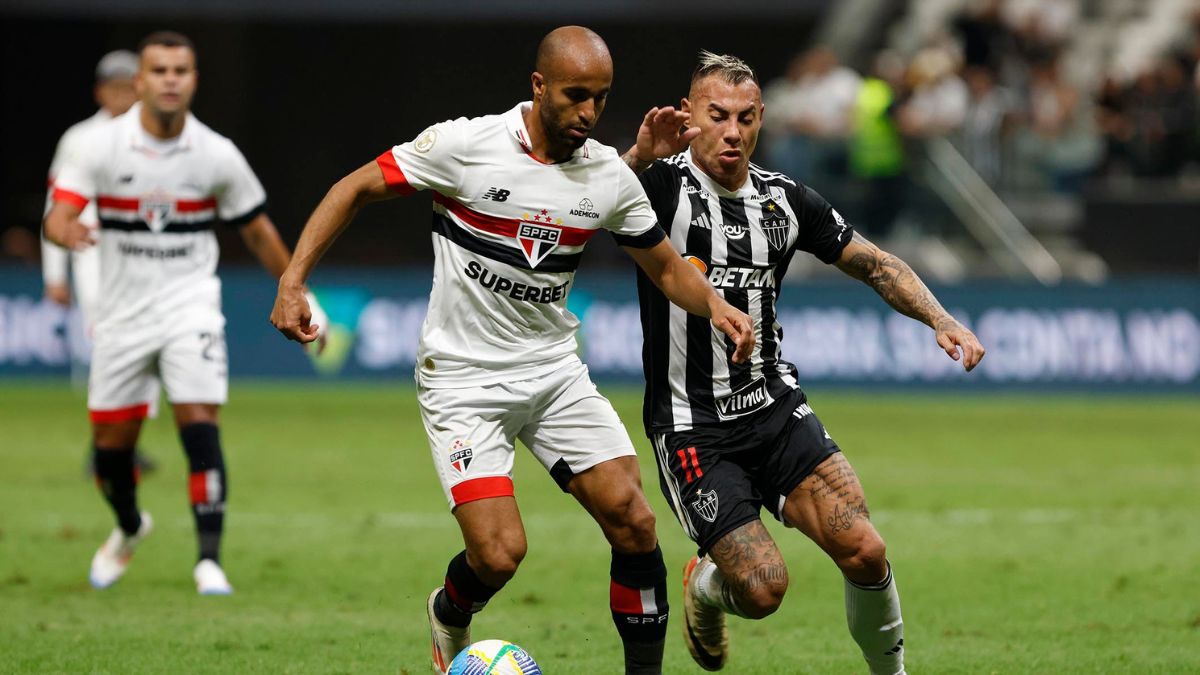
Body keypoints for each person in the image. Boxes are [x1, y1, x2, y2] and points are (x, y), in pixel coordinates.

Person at [269, 26, 753, 675]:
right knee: (499, 555)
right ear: (538, 86)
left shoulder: (606, 174)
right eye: (575, 95)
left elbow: (667, 268)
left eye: (600, 99)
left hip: (553, 370)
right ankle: (449, 609)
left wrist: (716, 304)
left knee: (634, 521)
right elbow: (353, 187)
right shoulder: (465, 146)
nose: (587, 112)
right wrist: (294, 280)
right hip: (463, 377)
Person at [620, 52, 985, 674]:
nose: (731, 131)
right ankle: (706, 586)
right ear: (689, 117)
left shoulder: (784, 201)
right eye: (716, 116)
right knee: (762, 590)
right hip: (693, 429)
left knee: (865, 549)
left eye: (744, 117)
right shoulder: (658, 187)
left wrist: (941, 318)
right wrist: (633, 160)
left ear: (761, 118)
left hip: (774, 409)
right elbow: (580, 205)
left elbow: (875, 264)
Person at [44, 31, 324, 596]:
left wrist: (297, 290)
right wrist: (64, 229)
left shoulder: (215, 154)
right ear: (140, 82)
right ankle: (129, 526)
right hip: (121, 316)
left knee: (199, 428)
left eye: (182, 70)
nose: (171, 79)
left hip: (190, 308)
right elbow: (59, 213)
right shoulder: (97, 147)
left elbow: (257, 228)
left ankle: (209, 561)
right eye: (160, 70)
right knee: (109, 454)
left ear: (193, 80)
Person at [41, 49, 160, 475]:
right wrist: (55, 273)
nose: (122, 94)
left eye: (129, 85)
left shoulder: (155, 135)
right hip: (92, 256)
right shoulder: (79, 140)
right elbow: (55, 209)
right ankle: (103, 447)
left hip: (146, 260)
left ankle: (127, 444)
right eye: (114, 86)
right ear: (99, 91)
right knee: (107, 347)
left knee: (150, 350)